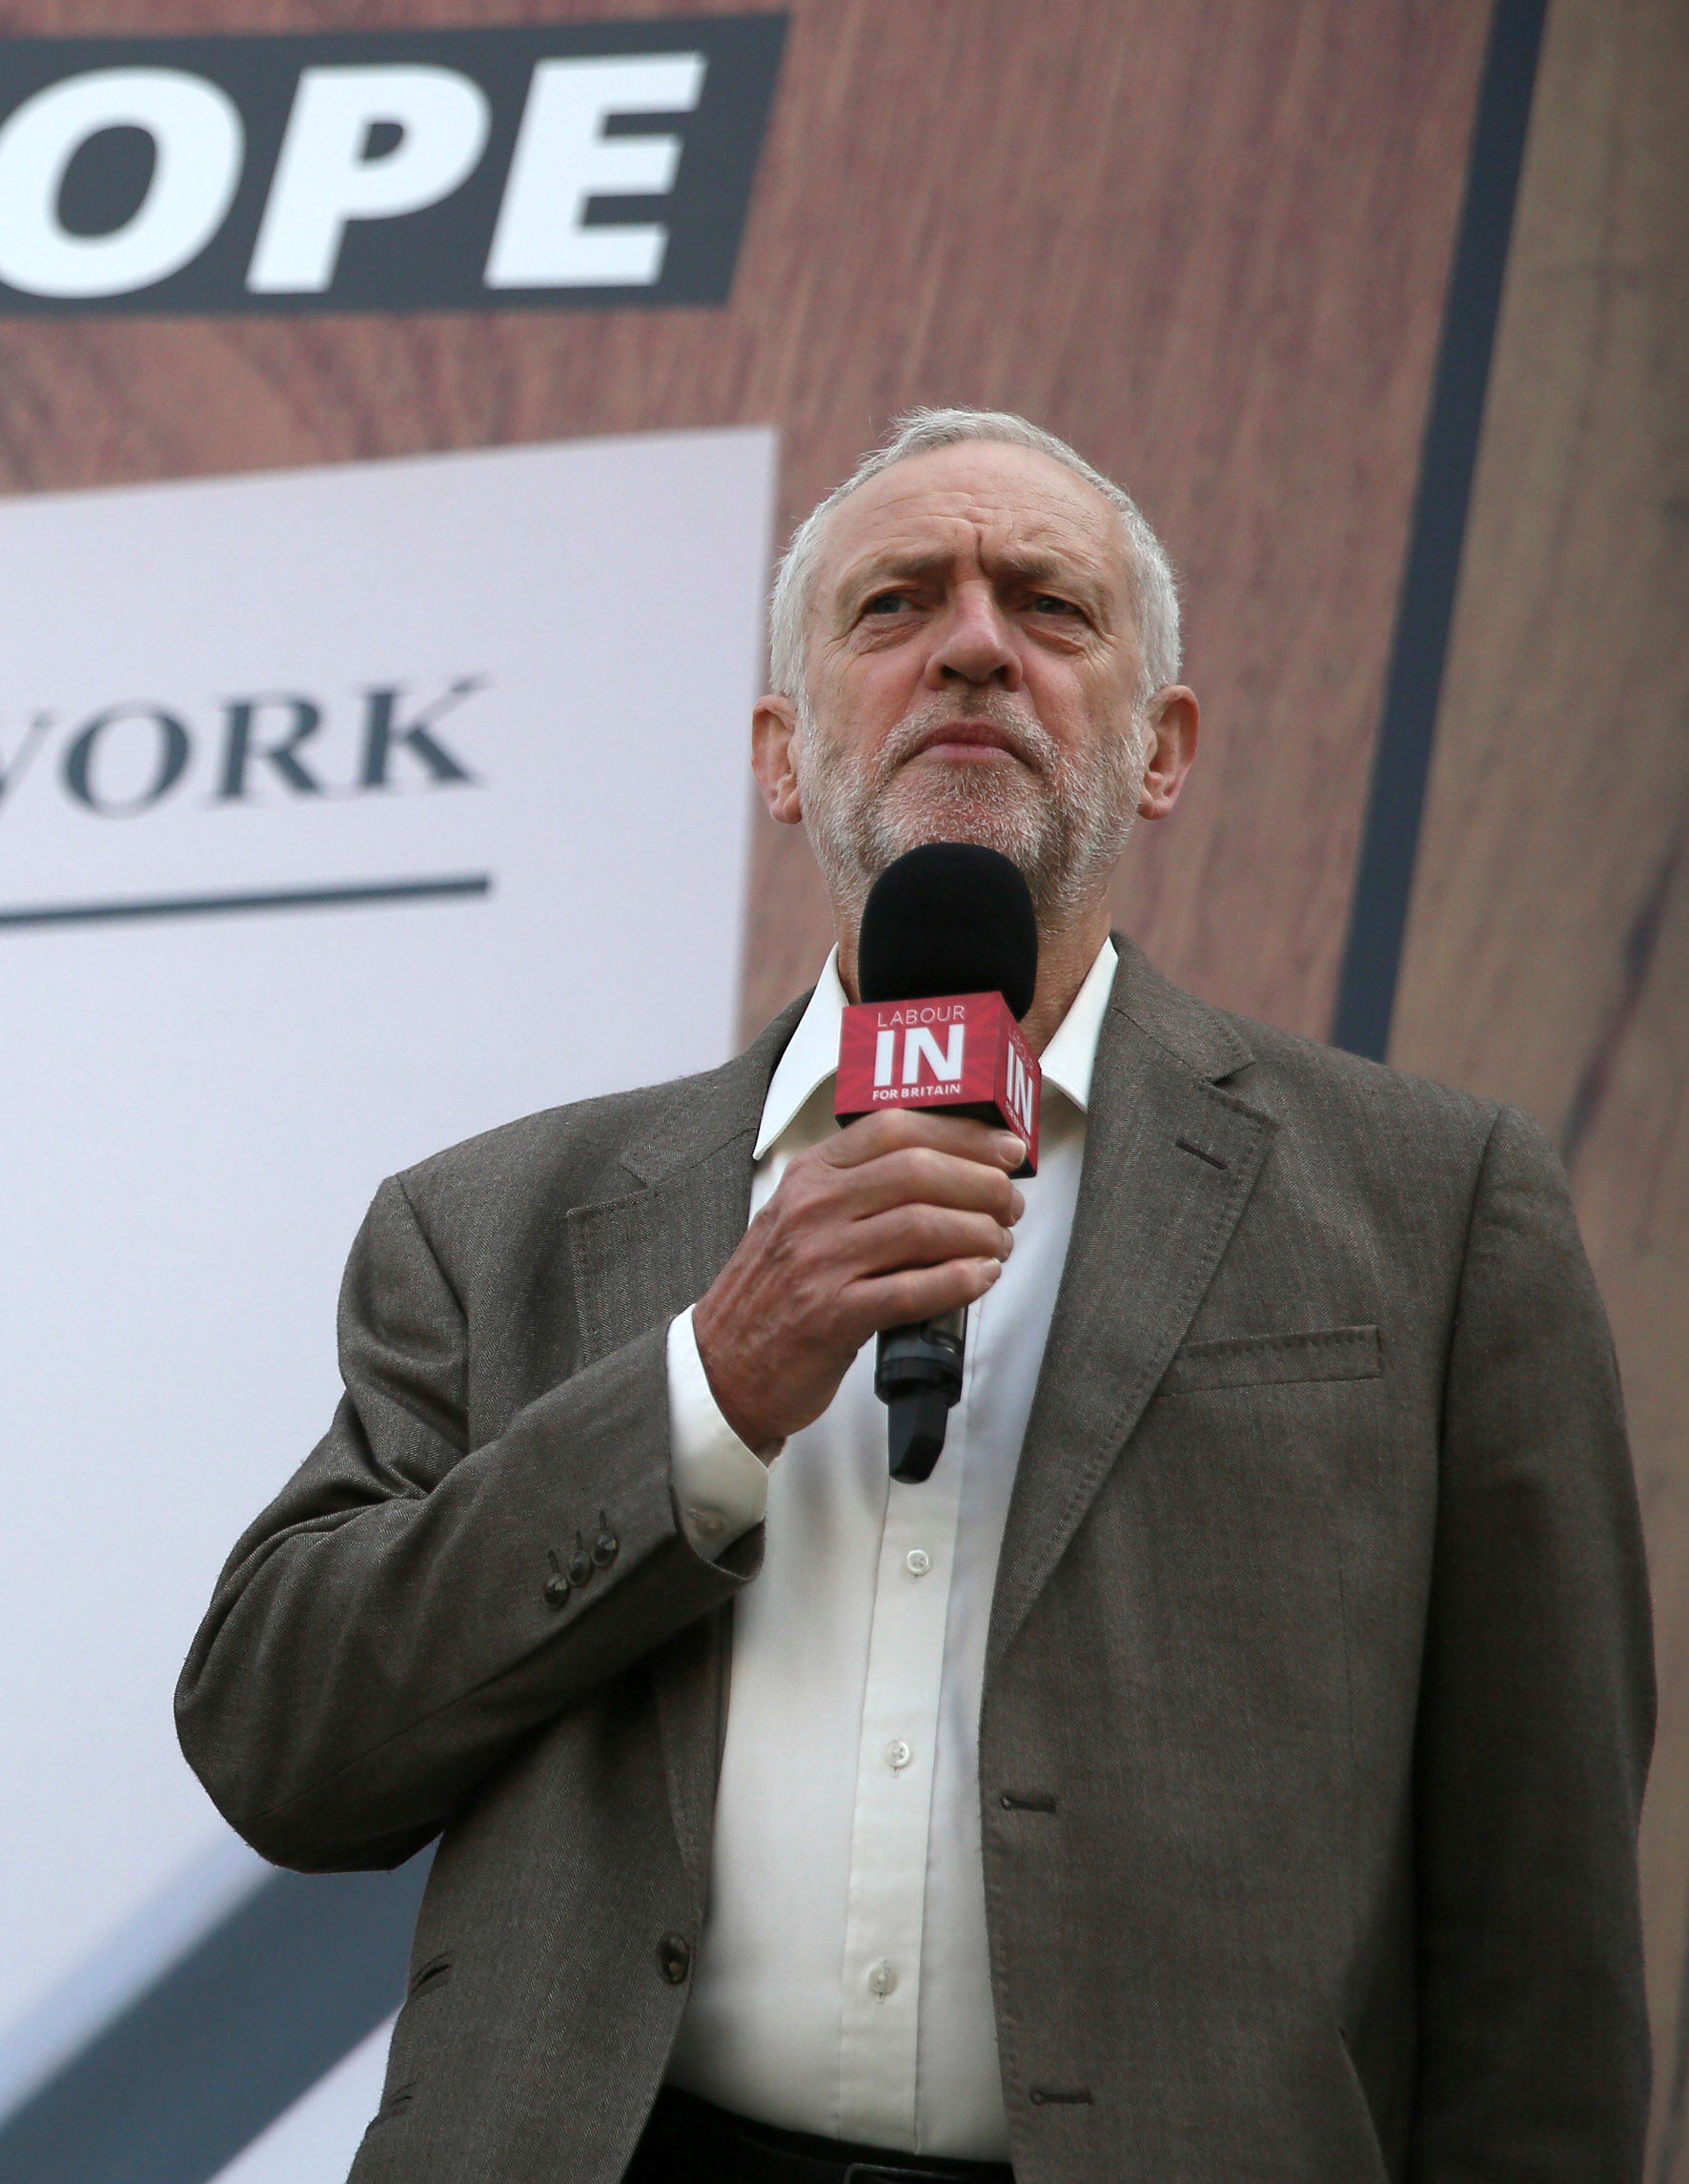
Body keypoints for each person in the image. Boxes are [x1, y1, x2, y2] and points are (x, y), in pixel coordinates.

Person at [176, 410, 1650, 2183]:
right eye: (893, 605)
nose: (973, 645)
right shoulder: (493, 1224)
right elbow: (281, 1744)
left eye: (1049, 604)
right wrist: (708, 1392)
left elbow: (1544, 1916)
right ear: (781, 756)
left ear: (1164, 752)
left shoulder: (1435, 1207)